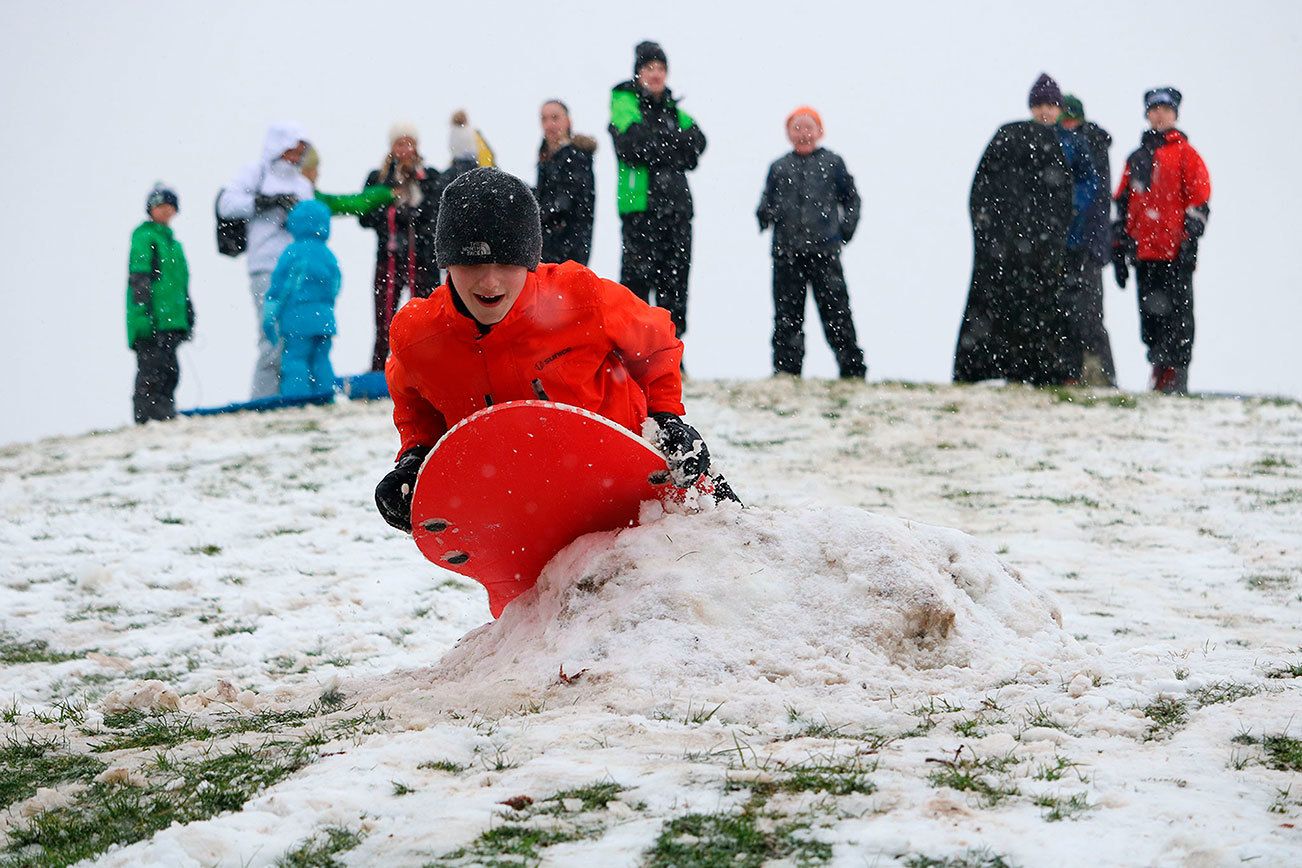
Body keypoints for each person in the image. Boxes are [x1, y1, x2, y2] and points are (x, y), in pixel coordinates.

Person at [374, 168, 732, 534]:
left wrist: (667, 417)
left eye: (506, 262)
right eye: (472, 263)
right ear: (446, 261)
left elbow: (657, 344)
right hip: (533, 516)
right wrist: (416, 456)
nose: (490, 281)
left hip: (639, 486)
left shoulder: (578, 297)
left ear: (529, 260)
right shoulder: (418, 336)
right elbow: (412, 399)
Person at [954, 73, 1074, 386]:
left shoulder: (1064, 143)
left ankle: (1035, 371)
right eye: (1040, 104)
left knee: (1035, 308)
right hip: (1006, 247)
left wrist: (1052, 238)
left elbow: (1065, 199)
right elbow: (981, 189)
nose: (1044, 111)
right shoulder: (1010, 136)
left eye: (1051, 105)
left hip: (1035, 248)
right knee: (1002, 306)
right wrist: (988, 230)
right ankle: (992, 368)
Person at [1113, 86, 1211, 395]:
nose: (1160, 115)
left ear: (1175, 114)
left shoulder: (1186, 155)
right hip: (1144, 253)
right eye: (1154, 109)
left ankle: (1176, 375)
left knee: (1178, 317)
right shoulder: (1137, 157)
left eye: (1166, 110)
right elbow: (1124, 201)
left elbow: (1199, 199)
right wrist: (1119, 244)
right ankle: (1158, 369)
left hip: (1174, 252)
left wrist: (1190, 239)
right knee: (1150, 318)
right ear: (1147, 114)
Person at [756, 106, 866, 379]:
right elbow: (765, 203)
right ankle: (786, 372)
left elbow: (852, 200)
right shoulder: (779, 167)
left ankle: (852, 371)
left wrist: (844, 231)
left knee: (837, 314)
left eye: (808, 127)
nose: (803, 133)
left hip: (824, 252)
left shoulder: (833, 163)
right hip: (786, 254)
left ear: (820, 132)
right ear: (788, 134)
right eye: (797, 127)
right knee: (787, 317)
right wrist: (766, 216)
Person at [609, 40, 707, 339]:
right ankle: (634, 354)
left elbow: (699, 143)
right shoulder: (624, 104)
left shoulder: (675, 110)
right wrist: (672, 146)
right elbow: (631, 146)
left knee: (674, 286)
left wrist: (659, 144)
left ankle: (672, 356)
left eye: (661, 68)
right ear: (638, 73)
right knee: (636, 285)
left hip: (677, 210)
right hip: (640, 210)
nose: (656, 74)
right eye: (649, 67)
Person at [218, 122, 314, 398]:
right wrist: (267, 202)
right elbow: (226, 204)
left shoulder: (302, 184)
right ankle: (263, 399)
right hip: (265, 267)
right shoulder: (255, 173)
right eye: (291, 151)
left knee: (297, 335)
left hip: (297, 269)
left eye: (300, 152)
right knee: (272, 337)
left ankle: (293, 395)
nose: (295, 158)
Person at [359, 124, 443, 371]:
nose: (405, 149)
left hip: (423, 259)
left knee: (427, 318)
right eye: (399, 143)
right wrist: (390, 211)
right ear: (392, 147)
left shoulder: (429, 177)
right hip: (389, 259)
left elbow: (436, 213)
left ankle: (429, 369)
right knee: (384, 320)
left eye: (409, 143)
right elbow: (364, 217)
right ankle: (381, 371)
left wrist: (416, 213)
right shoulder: (378, 179)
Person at [1060, 95, 1117, 387]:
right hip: (1069, 243)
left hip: (1086, 243)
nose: (1068, 124)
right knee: (1066, 311)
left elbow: (1096, 199)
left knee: (1088, 312)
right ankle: (1073, 372)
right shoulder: (1069, 144)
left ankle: (1100, 375)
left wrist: (1095, 242)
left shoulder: (1088, 145)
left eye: (1072, 119)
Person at [126, 184, 192, 423]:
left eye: (168, 206)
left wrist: (187, 313)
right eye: (159, 206)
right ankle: (146, 416)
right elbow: (139, 278)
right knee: (151, 369)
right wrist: (144, 316)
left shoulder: (174, 245)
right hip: (153, 319)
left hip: (171, 320)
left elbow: (180, 284)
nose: (164, 211)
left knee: (170, 370)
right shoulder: (145, 238)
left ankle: (165, 411)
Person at [262, 200, 341, 398]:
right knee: (321, 358)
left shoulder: (292, 252)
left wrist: (270, 314)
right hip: (324, 317)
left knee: (295, 358)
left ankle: (296, 397)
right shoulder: (327, 254)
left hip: (298, 317)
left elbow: (279, 287)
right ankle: (324, 393)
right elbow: (336, 283)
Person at [536, 99, 597, 265]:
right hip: (548, 250)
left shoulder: (575, 157)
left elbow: (562, 204)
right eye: (544, 119)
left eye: (555, 117)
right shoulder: (546, 158)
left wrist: (530, 213)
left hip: (568, 252)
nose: (549, 124)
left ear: (568, 121)